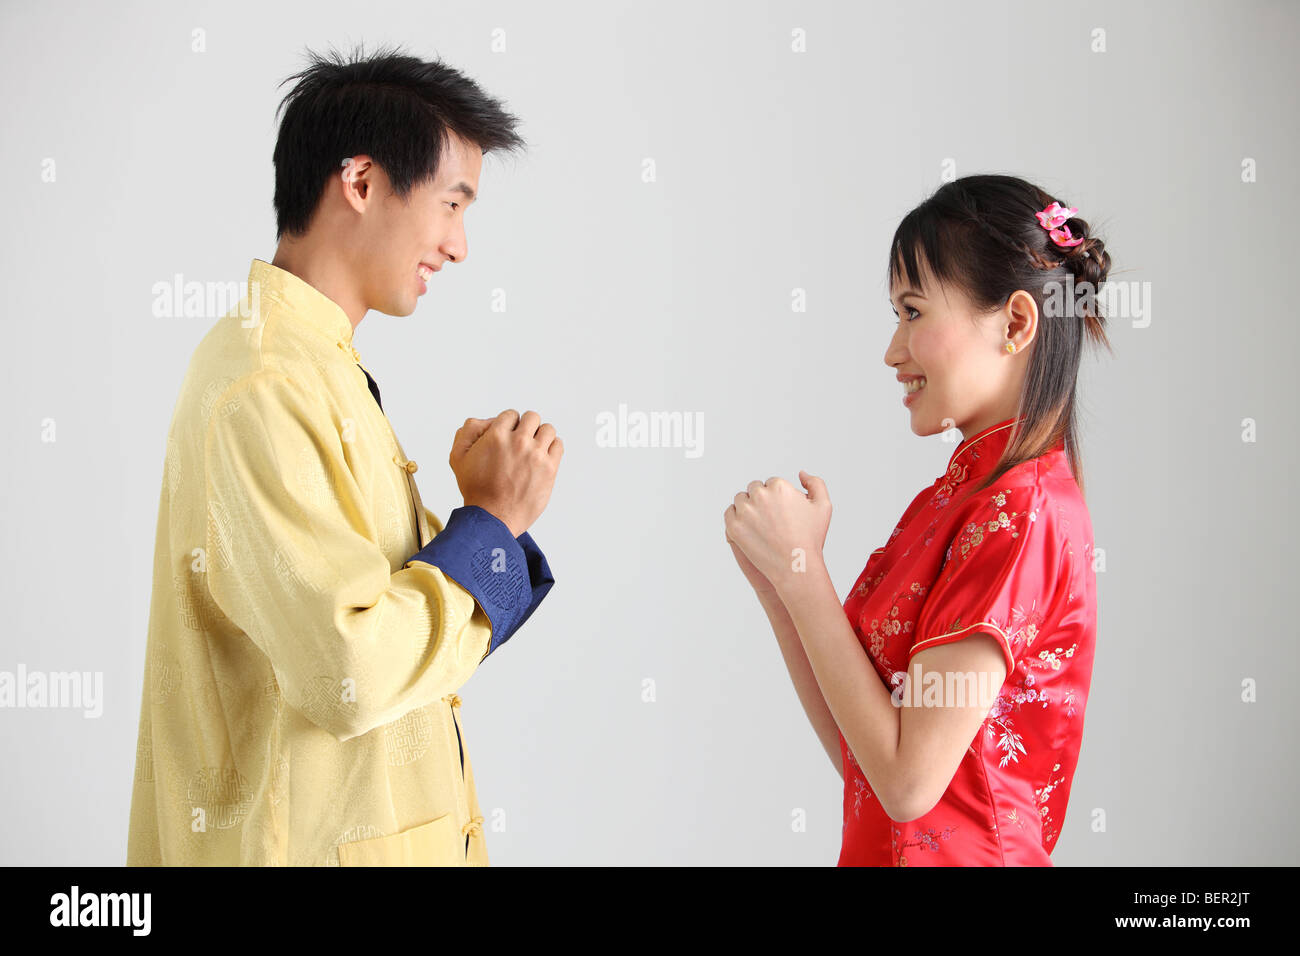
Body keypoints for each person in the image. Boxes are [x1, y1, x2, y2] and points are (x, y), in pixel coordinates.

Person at [127, 43, 563, 866]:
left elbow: (403, 639)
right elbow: (350, 670)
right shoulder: (264, 386)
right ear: (360, 183)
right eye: (451, 203)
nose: (461, 245)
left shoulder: (317, 367)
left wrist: (479, 523)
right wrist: (493, 525)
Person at [724, 174, 1111, 866]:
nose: (892, 350)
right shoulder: (956, 500)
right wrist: (780, 581)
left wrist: (805, 574)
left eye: (912, 312)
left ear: (1016, 323)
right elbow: (866, 762)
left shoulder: (1022, 510)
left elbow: (907, 784)